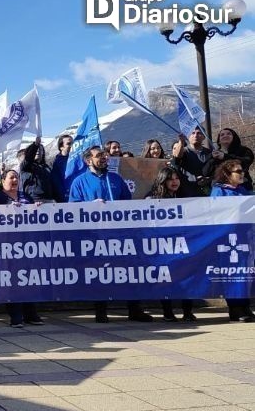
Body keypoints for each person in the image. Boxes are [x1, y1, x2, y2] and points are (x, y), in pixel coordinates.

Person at [69, 145, 153, 323]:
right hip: (95, 236)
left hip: (119, 234)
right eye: (99, 155)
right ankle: (101, 311)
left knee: (129, 271)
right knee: (101, 273)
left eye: (104, 155)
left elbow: (127, 204)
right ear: (88, 160)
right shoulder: (79, 182)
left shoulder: (115, 178)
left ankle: (134, 309)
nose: (104, 158)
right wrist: (91, 205)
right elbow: (72, 209)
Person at [0, 169, 44, 327]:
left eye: (16, 177)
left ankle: (31, 314)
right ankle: (16, 316)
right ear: (3, 181)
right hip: (6, 245)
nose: (15, 179)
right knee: (13, 281)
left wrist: (36, 207)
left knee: (28, 280)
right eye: (11, 177)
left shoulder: (25, 196)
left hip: (26, 245)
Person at [145, 167, 195, 322]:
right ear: (162, 180)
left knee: (188, 278)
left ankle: (188, 312)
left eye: (176, 178)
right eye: (170, 179)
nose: (174, 182)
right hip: (162, 246)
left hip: (182, 244)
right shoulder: (151, 200)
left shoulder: (184, 197)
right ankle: (168, 312)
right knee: (165, 280)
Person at [209, 160, 255, 322]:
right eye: (238, 171)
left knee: (245, 273)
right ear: (227, 175)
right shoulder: (219, 191)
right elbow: (216, 213)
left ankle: (245, 306)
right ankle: (235, 308)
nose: (242, 174)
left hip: (245, 238)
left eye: (242, 171)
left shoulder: (243, 190)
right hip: (228, 240)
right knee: (232, 273)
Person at [171, 128, 212, 196]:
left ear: (204, 136)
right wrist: (181, 141)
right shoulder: (184, 151)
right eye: (193, 133)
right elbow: (177, 157)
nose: (195, 135)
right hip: (187, 193)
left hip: (206, 193)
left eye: (199, 133)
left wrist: (208, 179)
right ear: (188, 136)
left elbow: (215, 172)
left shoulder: (209, 153)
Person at [51, 134, 73, 202]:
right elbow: (55, 182)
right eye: (69, 144)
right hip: (63, 199)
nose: (71, 146)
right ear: (61, 147)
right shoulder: (55, 163)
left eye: (72, 143)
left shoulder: (77, 159)